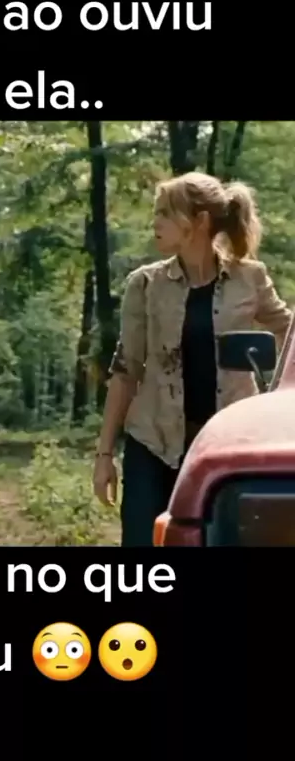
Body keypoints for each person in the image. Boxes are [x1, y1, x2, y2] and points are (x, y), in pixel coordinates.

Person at [93, 171, 293, 547]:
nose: (155, 222)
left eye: (165, 213)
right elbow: (125, 370)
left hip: (227, 446)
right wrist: (104, 454)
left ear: (199, 221)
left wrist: (280, 396)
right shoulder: (145, 284)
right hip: (153, 443)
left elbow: (289, 330)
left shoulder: (249, 278)